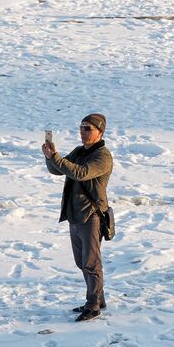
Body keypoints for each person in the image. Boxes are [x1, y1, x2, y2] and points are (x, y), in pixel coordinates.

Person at [41, 114, 113, 322]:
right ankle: (98, 298)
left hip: (91, 215)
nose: (82, 132)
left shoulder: (103, 156)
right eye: (81, 128)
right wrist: (50, 156)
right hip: (75, 214)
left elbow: (81, 173)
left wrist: (57, 159)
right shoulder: (80, 151)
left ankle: (93, 305)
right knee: (82, 262)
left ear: (100, 131)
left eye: (88, 128)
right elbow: (58, 170)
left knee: (91, 263)